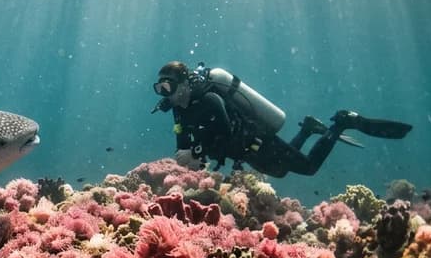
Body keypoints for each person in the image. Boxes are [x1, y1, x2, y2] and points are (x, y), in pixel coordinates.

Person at [151, 60, 412, 178]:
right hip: (246, 152)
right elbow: (182, 143)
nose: (166, 94)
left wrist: (198, 152)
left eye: (169, 87)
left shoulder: (209, 99)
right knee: (280, 172)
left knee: (308, 168)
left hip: (258, 142)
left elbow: (226, 132)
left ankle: (342, 121)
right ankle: (308, 129)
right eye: (160, 88)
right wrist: (186, 155)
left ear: (184, 83)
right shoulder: (180, 110)